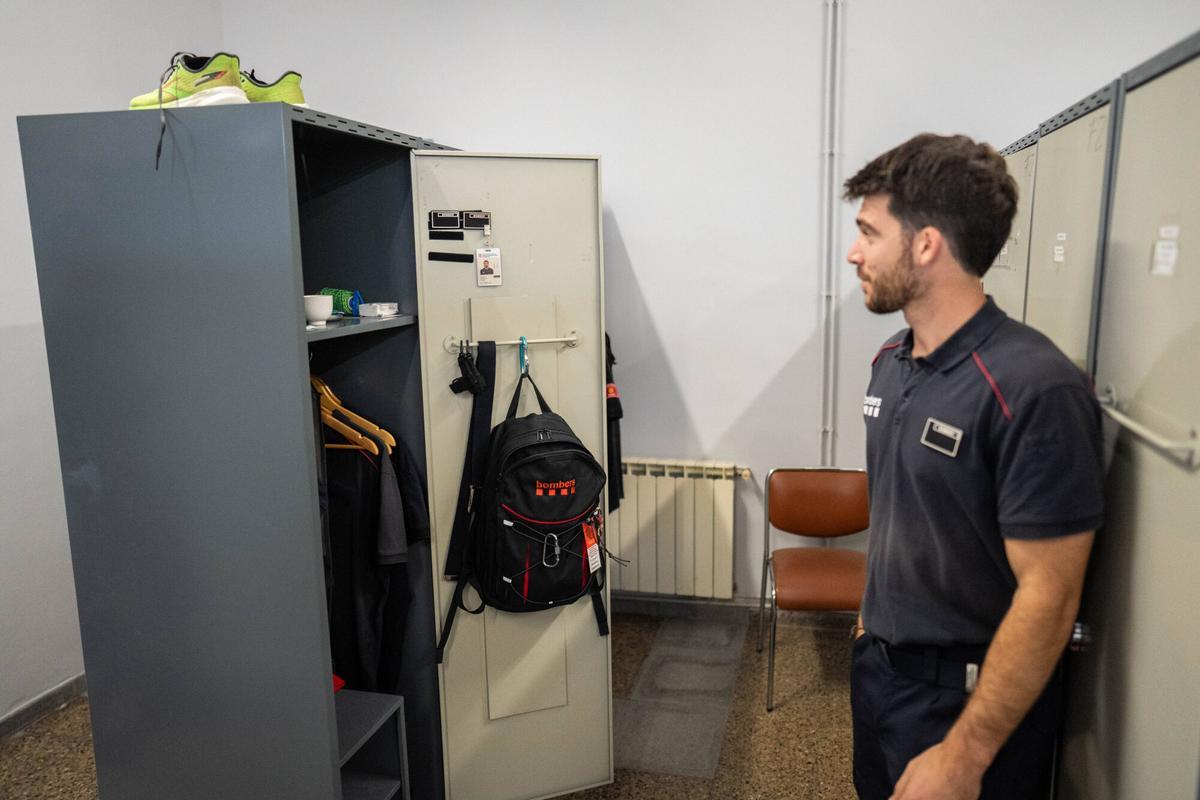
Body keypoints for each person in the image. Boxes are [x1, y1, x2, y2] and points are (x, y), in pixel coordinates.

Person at [842, 133, 1104, 800]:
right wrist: (876, 620)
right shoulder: (890, 364)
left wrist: (964, 755)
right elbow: (911, 511)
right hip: (880, 673)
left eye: (869, 232)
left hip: (967, 706)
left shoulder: (1033, 388)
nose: (854, 252)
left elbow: (1050, 597)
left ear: (926, 245)